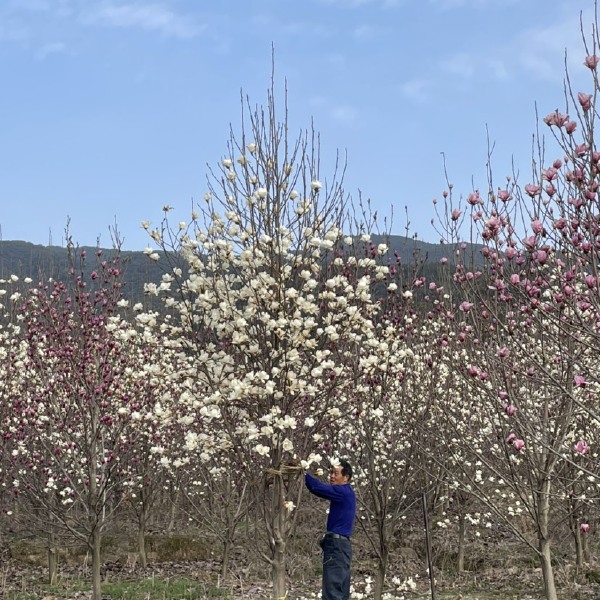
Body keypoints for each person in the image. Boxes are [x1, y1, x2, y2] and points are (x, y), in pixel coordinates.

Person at [305, 459, 356, 600]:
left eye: (336, 473)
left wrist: (303, 471)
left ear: (346, 477)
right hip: (341, 546)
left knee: (333, 591)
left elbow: (317, 487)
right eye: (331, 473)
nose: (332, 476)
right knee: (340, 590)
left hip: (337, 547)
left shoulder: (342, 492)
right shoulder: (347, 493)